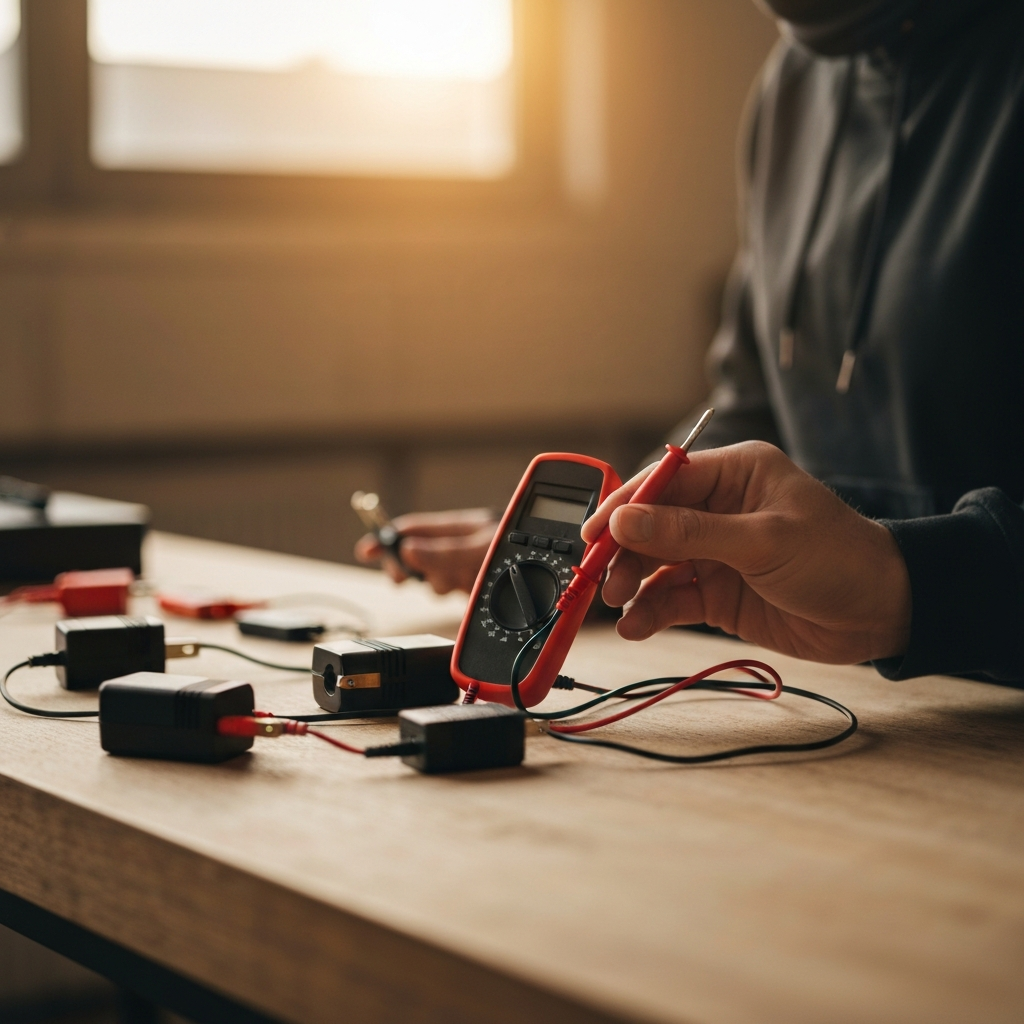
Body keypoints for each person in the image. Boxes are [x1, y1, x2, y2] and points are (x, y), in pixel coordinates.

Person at [357, 0, 1023, 684]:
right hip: (848, 694)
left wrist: (903, 586)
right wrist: (576, 553)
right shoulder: (793, 83)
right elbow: (751, 408)